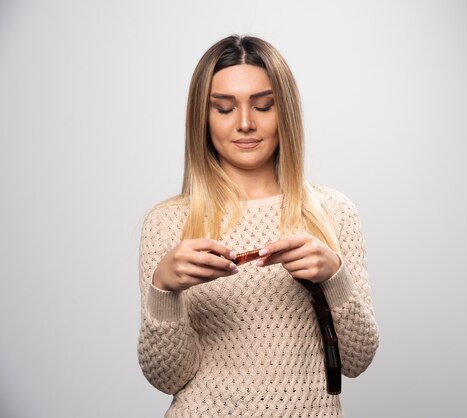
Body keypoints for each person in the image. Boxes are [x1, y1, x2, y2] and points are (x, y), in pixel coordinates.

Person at [137, 34, 379, 417]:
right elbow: (167, 377)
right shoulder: (168, 223)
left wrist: (334, 275)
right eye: (224, 108)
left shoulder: (334, 212)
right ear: (202, 116)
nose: (245, 123)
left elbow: (357, 360)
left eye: (264, 106)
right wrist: (164, 290)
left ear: (285, 113)